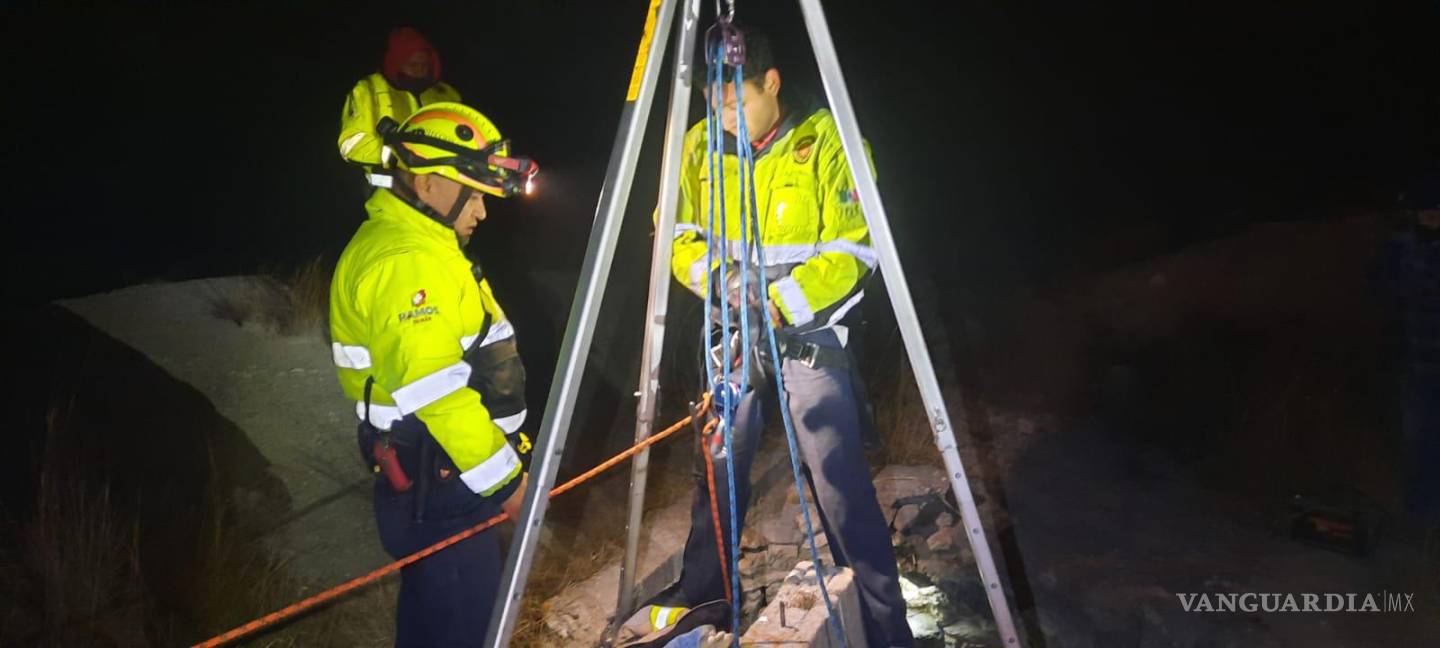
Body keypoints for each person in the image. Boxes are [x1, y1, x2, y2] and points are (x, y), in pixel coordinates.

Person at [647, 26, 914, 647]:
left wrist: (778, 301)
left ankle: (883, 624)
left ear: (770, 82)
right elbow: (674, 237)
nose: (728, 117)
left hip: (809, 338)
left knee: (838, 479)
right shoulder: (697, 147)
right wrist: (721, 281)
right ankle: (707, 599)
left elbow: (854, 250)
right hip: (730, 337)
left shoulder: (828, 143)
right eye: (717, 106)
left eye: (738, 101)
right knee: (718, 468)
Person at [328, 101, 537, 646]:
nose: (483, 210)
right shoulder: (406, 262)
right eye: (473, 191)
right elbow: (436, 391)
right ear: (425, 185)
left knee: (431, 622)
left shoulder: (428, 249)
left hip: (442, 477)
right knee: (464, 627)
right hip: (441, 484)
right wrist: (508, 482)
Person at [1377, 172, 1440, 524]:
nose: (1431, 217)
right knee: (1417, 439)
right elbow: (1380, 290)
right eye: (1425, 211)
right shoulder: (1400, 247)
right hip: (1415, 365)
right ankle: (1419, 514)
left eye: (1437, 211)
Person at [338, 26, 463, 188]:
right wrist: (400, 155)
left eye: (424, 64)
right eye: (413, 64)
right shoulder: (368, 89)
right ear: (397, 62)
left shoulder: (446, 94)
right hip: (388, 189)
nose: (419, 69)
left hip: (442, 190)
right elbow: (351, 145)